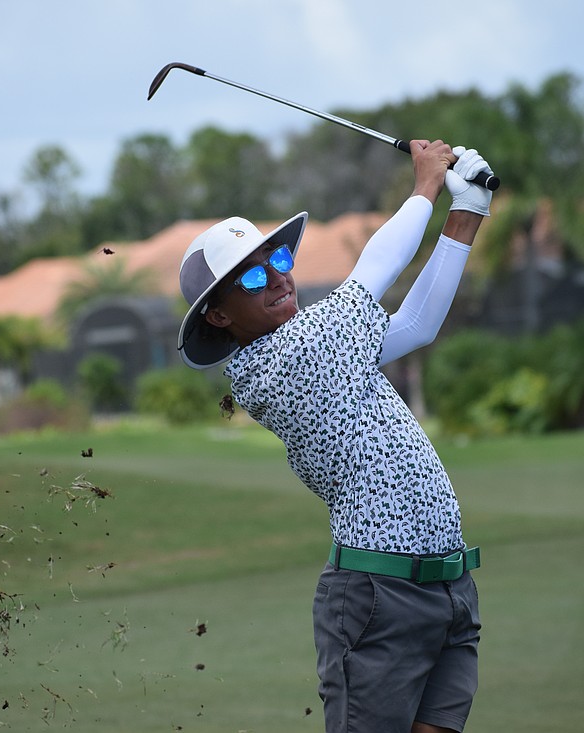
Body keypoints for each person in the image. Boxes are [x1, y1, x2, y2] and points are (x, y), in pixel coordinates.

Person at [175, 139, 494, 733]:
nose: (277, 278)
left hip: (447, 588)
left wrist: (468, 211)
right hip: (379, 596)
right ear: (218, 316)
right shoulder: (283, 360)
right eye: (251, 278)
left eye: (276, 259)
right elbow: (374, 271)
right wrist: (425, 186)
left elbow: (416, 325)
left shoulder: (329, 346)